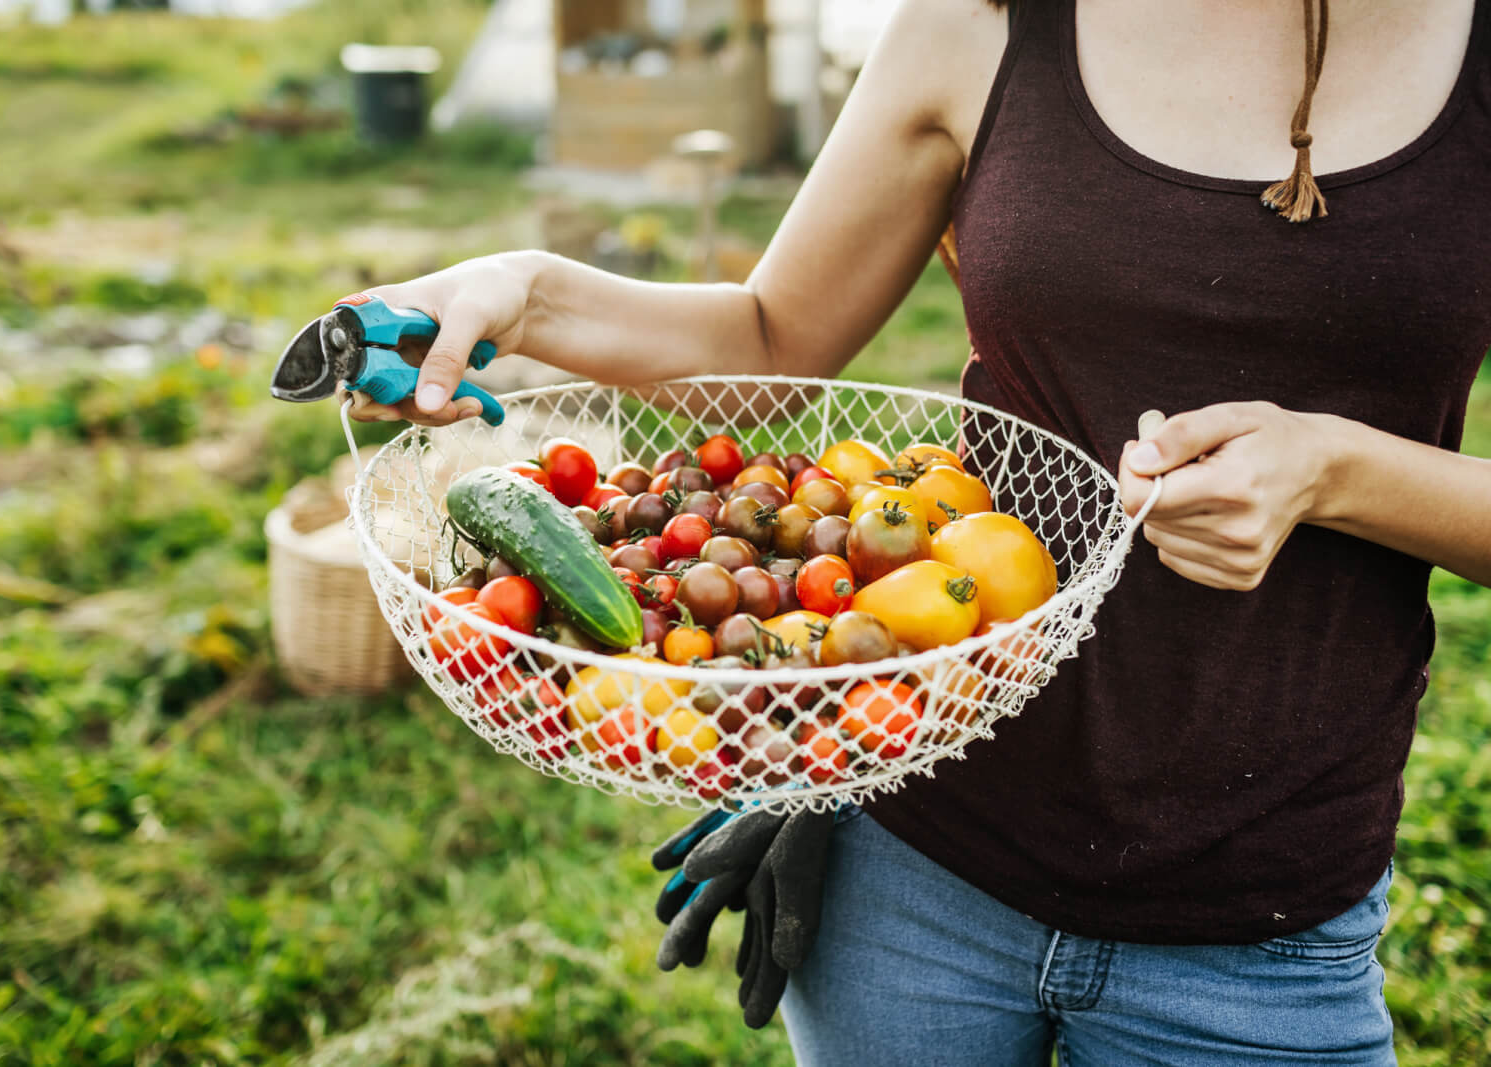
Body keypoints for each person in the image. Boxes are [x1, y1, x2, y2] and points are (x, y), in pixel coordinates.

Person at [349, 0, 1491, 1061]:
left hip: (1263, 921)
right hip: (914, 869)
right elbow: (774, 332)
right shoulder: (983, 20)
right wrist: (523, 291)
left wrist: (1343, 472)